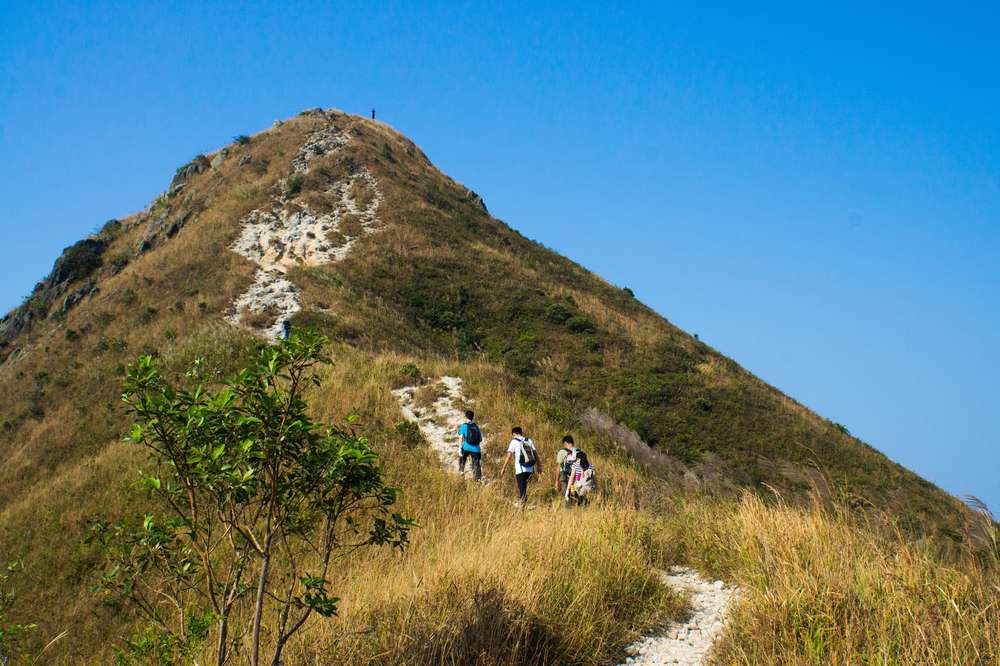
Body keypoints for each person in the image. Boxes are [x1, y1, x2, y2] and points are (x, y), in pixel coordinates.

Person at [500, 427, 540, 504]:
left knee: (522, 490)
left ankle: (524, 506)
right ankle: (530, 503)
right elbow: (535, 453)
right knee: (529, 488)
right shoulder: (529, 440)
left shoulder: (514, 441)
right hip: (530, 469)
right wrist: (539, 465)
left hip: (520, 470)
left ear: (514, 434)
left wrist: (504, 467)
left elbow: (509, 455)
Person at [457, 410, 483, 481]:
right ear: (472, 417)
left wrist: (459, 448)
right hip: (476, 449)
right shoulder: (476, 426)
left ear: (466, 417)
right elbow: (480, 439)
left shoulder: (464, 426)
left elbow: (461, 437)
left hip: (466, 447)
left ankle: (461, 472)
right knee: (476, 464)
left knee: (462, 459)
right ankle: (478, 479)